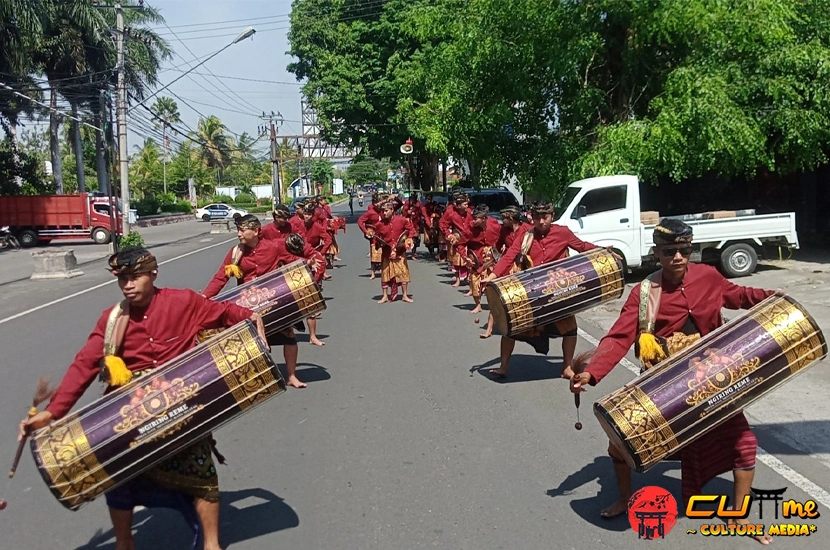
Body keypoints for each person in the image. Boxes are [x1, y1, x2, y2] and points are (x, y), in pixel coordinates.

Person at [19, 246, 265, 550]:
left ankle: (212, 544)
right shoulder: (111, 320)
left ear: (154, 274)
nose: (128, 286)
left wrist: (251, 316)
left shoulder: (184, 301)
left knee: (202, 474)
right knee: (119, 479)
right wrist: (53, 413)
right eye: (123, 280)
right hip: (131, 416)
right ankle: (125, 543)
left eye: (135, 278)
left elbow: (224, 312)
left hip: (184, 408)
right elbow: (84, 364)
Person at [570, 219, 774, 544]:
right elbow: (620, 335)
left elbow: (741, 295)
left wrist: (776, 298)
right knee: (621, 444)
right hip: (662, 384)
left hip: (711, 380)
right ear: (657, 253)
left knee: (744, 443)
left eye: (683, 250)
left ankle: (739, 516)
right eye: (669, 251)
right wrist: (591, 372)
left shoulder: (708, 277)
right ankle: (624, 499)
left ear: (690, 250)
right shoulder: (645, 292)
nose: (677, 257)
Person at [484, 200, 602, 379]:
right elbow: (509, 256)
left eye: (544, 217)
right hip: (531, 292)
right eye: (537, 217)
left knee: (570, 329)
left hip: (558, 291)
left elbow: (583, 247)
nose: (541, 221)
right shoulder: (525, 235)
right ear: (532, 217)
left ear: (552, 217)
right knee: (511, 326)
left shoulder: (563, 233)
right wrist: (492, 276)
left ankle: (566, 367)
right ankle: (504, 366)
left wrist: (605, 251)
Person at [202, 215, 308, 388]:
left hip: (273, 301)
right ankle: (256, 379)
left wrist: (309, 264)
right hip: (247, 305)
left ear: (257, 230)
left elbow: (294, 261)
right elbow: (221, 277)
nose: (239, 234)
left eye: (242, 230)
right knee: (249, 341)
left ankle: (291, 376)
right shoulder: (235, 253)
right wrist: (205, 297)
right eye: (238, 230)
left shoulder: (274, 246)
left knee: (289, 334)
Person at [480, 206, 533, 339]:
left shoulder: (527, 229)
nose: (502, 221)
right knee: (497, 297)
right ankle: (489, 328)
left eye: (504, 218)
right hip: (506, 265)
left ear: (510, 218)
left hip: (523, 267)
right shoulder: (504, 231)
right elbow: (497, 245)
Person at [458, 204, 501, 314]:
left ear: (483, 218)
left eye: (475, 219)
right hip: (477, 259)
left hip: (493, 257)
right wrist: (465, 257)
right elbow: (460, 244)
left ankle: (498, 304)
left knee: (496, 282)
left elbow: (502, 236)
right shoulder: (470, 230)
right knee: (475, 282)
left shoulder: (494, 224)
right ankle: (478, 305)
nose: (473, 221)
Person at [374, 200, 417, 303]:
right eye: (383, 211)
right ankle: (385, 296)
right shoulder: (379, 224)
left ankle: (405, 295)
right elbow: (376, 238)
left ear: (392, 210)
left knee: (403, 273)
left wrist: (409, 239)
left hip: (400, 251)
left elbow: (411, 230)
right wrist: (379, 244)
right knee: (385, 274)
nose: (384, 213)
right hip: (386, 253)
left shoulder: (402, 220)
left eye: (386, 211)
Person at [439, 193, 472, 288]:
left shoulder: (470, 212)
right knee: (456, 261)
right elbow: (442, 223)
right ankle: (457, 280)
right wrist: (449, 235)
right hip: (457, 239)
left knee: (470, 259)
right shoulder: (451, 213)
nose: (467, 206)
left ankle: (470, 279)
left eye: (467, 204)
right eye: (465, 204)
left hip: (469, 239)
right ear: (458, 205)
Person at [357, 192, 384, 279]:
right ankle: (373, 273)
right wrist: (366, 231)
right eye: (375, 203)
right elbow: (360, 221)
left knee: (385, 254)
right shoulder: (370, 212)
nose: (377, 204)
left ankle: (385, 272)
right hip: (375, 236)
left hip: (384, 235)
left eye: (379, 202)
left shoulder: (385, 210)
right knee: (374, 254)